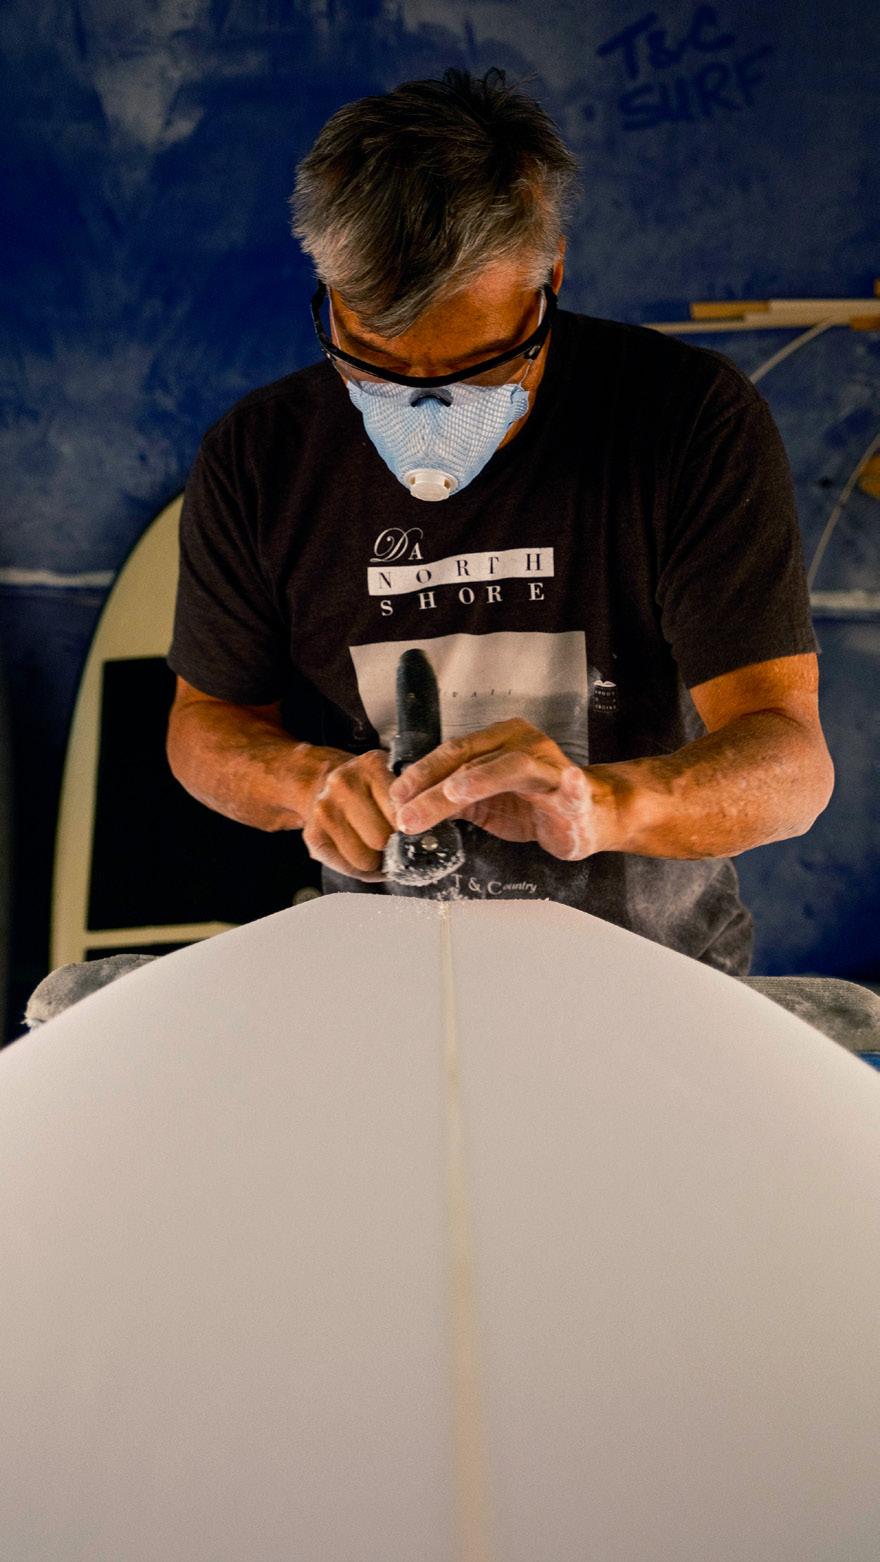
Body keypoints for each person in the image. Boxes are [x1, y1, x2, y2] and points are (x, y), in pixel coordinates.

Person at [164, 66, 835, 980]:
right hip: (382, 973)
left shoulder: (687, 421)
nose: (424, 410)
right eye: (376, 363)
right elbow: (206, 723)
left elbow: (790, 761)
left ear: (549, 277)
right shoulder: (260, 458)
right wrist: (308, 784)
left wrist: (604, 803)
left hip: (653, 974)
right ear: (327, 294)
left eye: (480, 367)